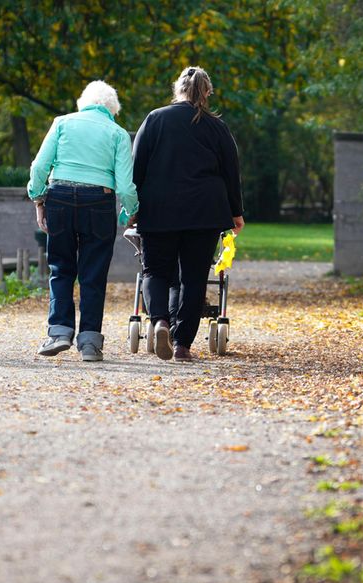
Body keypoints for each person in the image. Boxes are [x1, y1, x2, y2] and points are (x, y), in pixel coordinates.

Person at [131, 66, 245, 362]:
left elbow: (137, 168)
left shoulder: (155, 119)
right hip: (204, 211)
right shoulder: (217, 127)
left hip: (159, 210)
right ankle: (182, 345)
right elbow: (231, 172)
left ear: (177, 89)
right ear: (206, 93)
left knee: (155, 270)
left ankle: (160, 322)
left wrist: (132, 209)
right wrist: (236, 212)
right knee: (194, 278)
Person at [28, 80, 138, 362]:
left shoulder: (62, 123)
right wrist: (128, 213)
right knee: (94, 272)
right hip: (99, 202)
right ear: (113, 110)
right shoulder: (118, 133)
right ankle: (89, 342)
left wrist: (39, 199)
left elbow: (39, 167)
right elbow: (125, 186)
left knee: (61, 267)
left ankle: (59, 332)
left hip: (60, 197)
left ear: (83, 103)